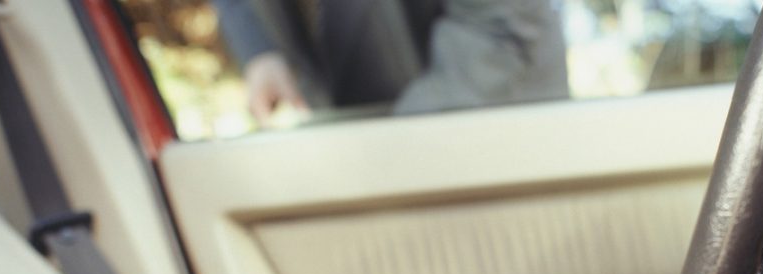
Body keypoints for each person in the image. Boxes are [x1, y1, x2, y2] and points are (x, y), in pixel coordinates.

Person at [211, 0, 571, 126]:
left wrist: (377, 151)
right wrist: (261, 51)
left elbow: (499, 30)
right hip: (374, 134)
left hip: (493, 120)